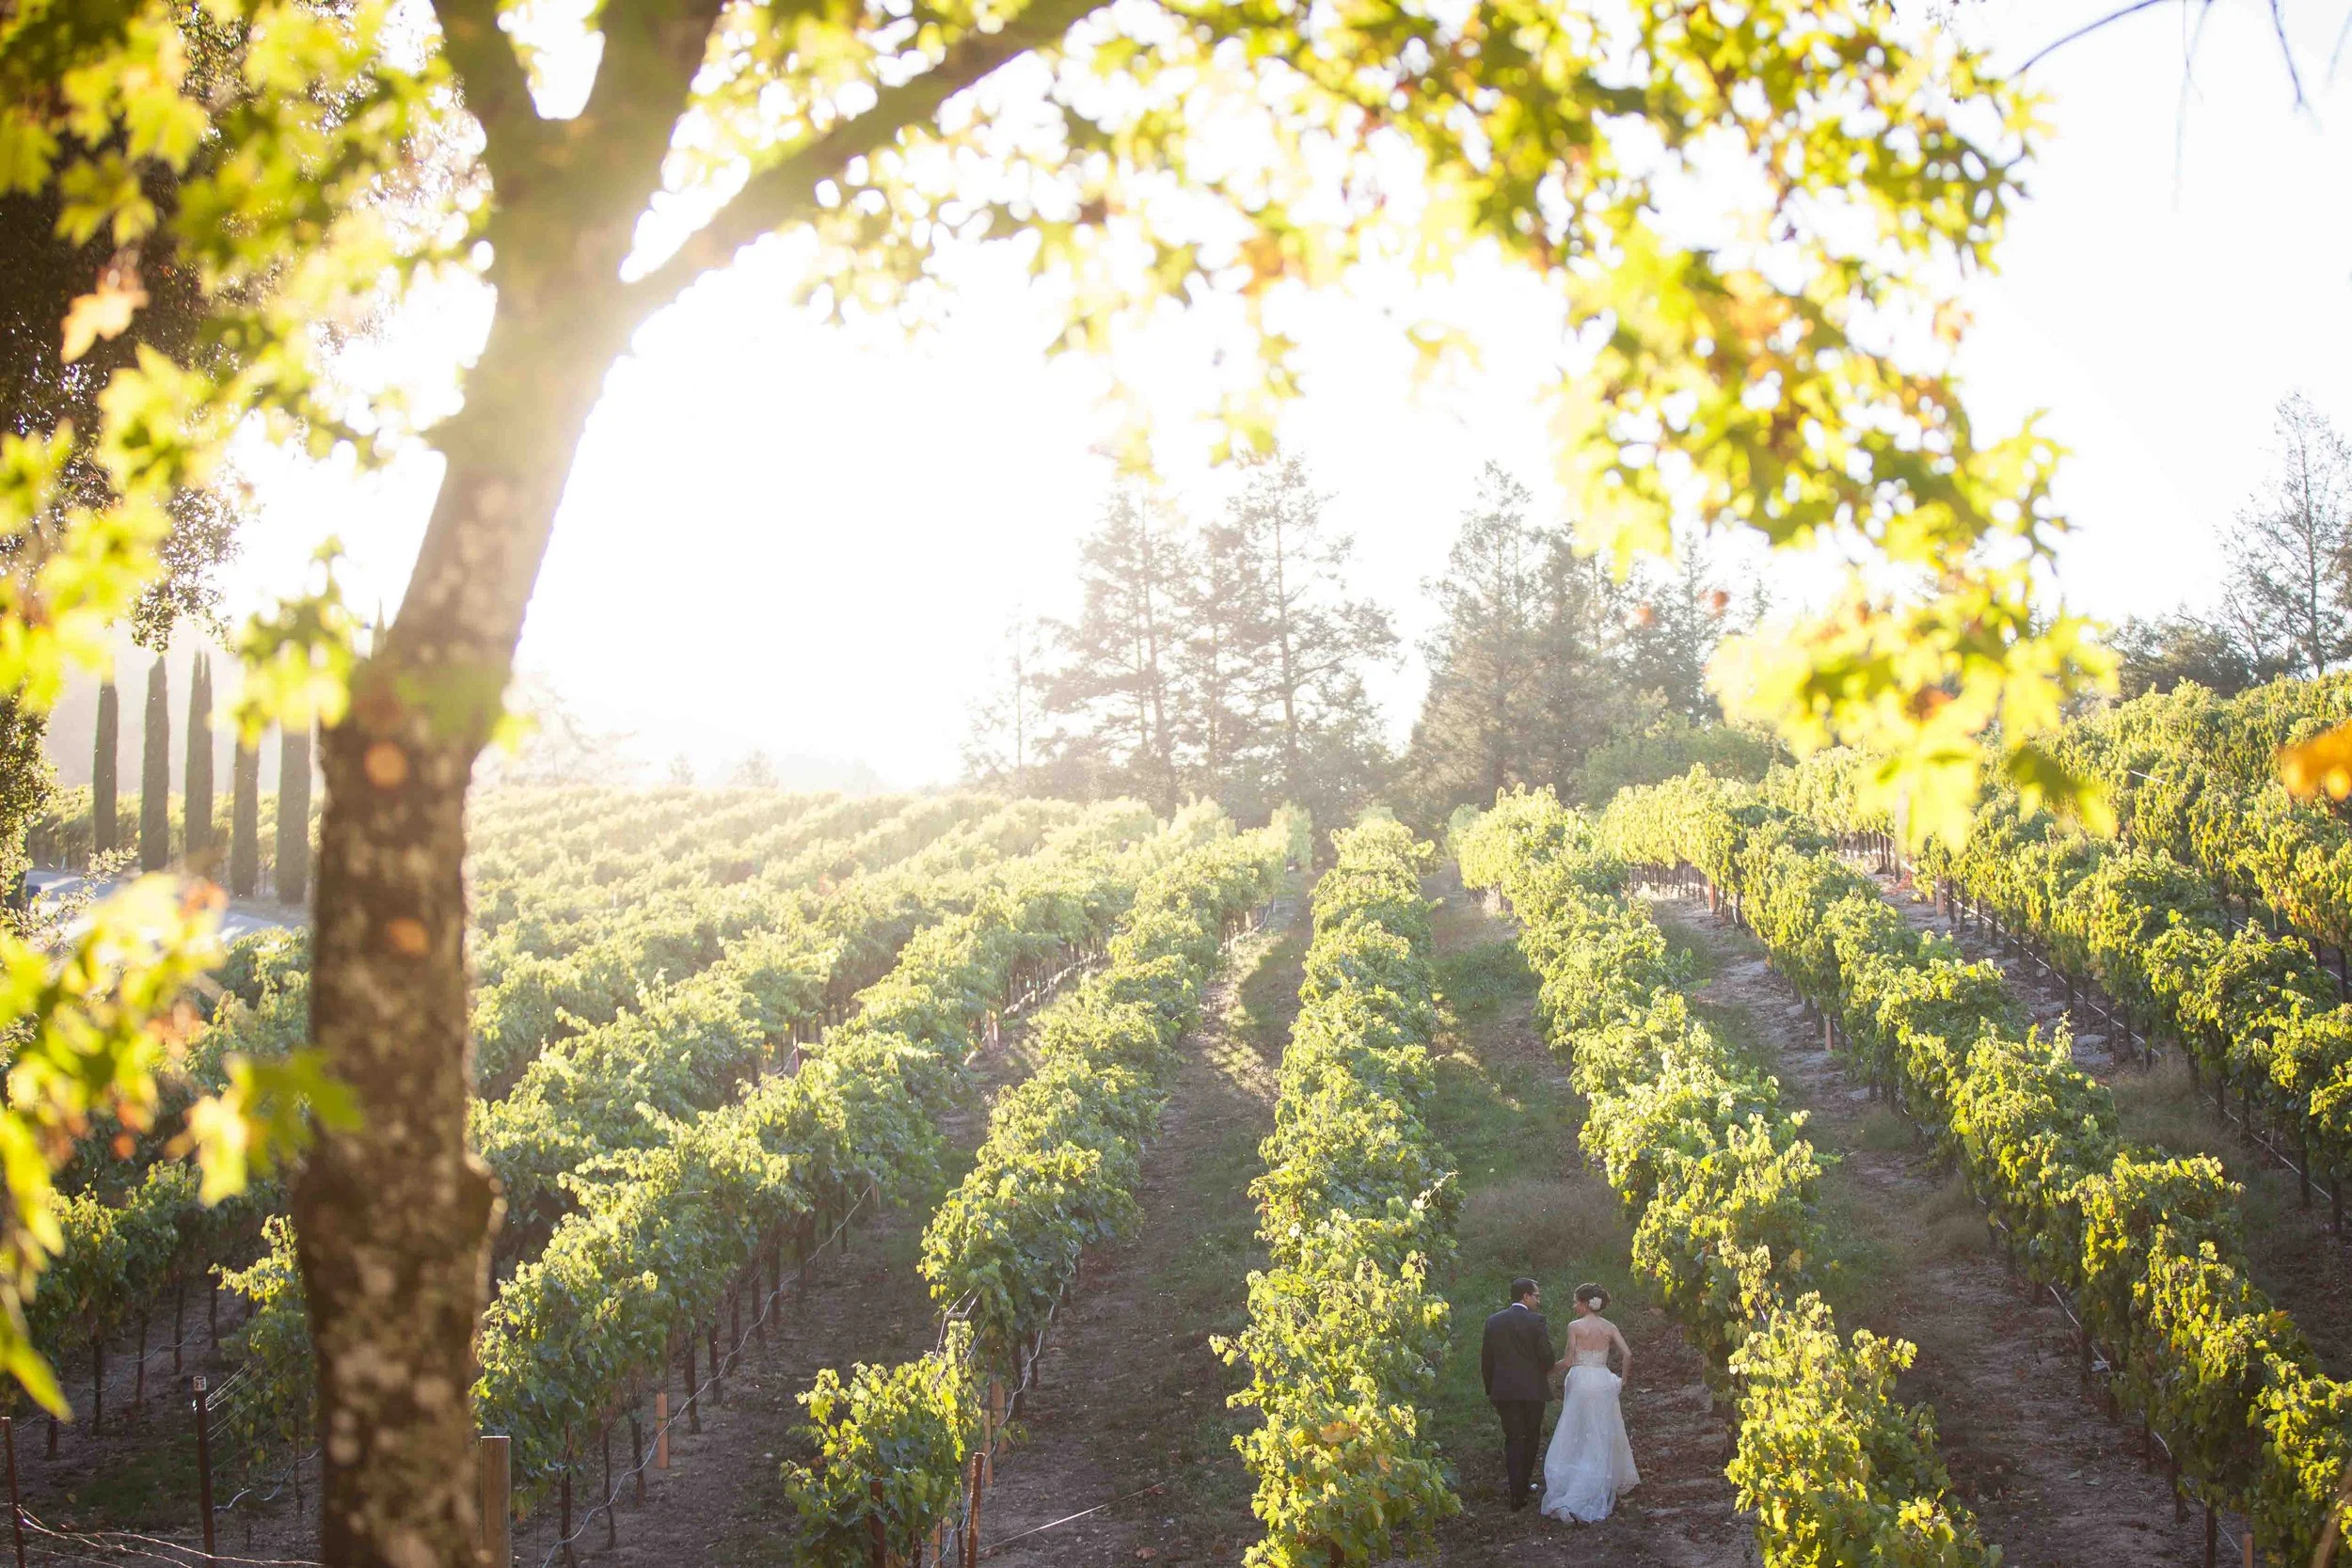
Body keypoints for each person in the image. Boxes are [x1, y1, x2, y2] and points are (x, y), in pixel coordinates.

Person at [1540, 1282, 1640, 1522]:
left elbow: (1567, 1360)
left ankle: (1574, 1482)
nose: (1574, 1306)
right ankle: (1599, 1474)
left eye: (1576, 1302)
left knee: (1576, 1427)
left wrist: (1545, 1373)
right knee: (1602, 1429)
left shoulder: (1575, 1326)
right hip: (1603, 1380)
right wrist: (1622, 1381)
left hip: (1581, 1379)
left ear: (1586, 1304)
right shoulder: (1609, 1327)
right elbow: (1628, 1354)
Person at [1480, 1276, 1555, 1511]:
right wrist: (1542, 1370)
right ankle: (1523, 1487)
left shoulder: (1493, 1322)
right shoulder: (1536, 1322)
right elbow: (1547, 1356)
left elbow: (1487, 1360)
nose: (1538, 1300)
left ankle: (1516, 1492)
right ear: (1526, 1296)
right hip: (1532, 1390)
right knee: (1531, 1437)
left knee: (1513, 1439)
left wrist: (1492, 1388)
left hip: (1504, 1391)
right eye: (1536, 1295)